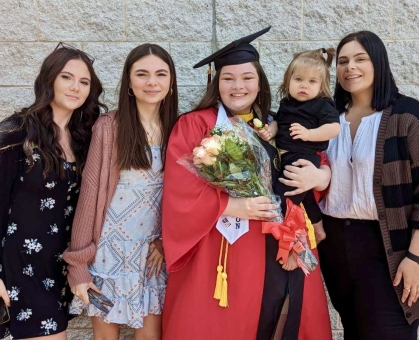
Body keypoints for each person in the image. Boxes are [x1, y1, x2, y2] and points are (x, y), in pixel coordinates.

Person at [161, 27, 332, 340]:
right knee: (231, 324)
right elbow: (179, 188)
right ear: (217, 82)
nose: (238, 86)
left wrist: (323, 176)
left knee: (290, 316)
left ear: (260, 82)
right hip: (228, 247)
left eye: (247, 78)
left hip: (285, 238)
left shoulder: (272, 124)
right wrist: (231, 204)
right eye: (228, 78)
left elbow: (309, 159)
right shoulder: (197, 124)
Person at [63, 44, 178, 340]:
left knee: (150, 336)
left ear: (170, 80)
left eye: (160, 74)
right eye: (142, 74)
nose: (151, 82)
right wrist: (78, 265)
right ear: (129, 81)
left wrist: (167, 240)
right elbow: (89, 195)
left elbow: (186, 198)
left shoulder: (180, 127)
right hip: (108, 251)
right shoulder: (109, 126)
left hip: (152, 253)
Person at [0, 43, 106, 339]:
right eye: (66, 77)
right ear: (49, 80)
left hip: (60, 266)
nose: (76, 87)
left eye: (84, 82)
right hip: (21, 266)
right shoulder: (15, 134)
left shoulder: (85, 137)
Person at [317, 31, 419, 340]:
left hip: (388, 245)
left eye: (361, 59)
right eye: (344, 61)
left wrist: (415, 258)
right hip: (334, 243)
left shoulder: (407, 115)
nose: (351, 67)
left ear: (379, 63)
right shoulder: (327, 117)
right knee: (355, 330)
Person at [257, 48, 340, 246]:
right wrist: (271, 131)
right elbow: (279, 121)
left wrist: (309, 134)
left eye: (312, 81)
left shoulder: (322, 105)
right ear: (288, 80)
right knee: (304, 197)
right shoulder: (287, 103)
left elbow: (334, 128)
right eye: (298, 79)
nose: (304, 86)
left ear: (322, 85)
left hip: (303, 158)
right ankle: (317, 229)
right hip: (284, 157)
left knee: (284, 199)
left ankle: (294, 244)